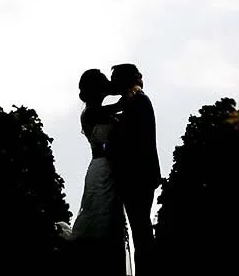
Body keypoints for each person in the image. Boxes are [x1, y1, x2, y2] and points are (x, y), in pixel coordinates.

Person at [57, 69, 128, 275]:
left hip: (107, 169)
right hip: (102, 169)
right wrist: (127, 88)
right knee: (100, 218)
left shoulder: (98, 110)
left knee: (108, 220)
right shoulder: (91, 112)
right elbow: (121, 105)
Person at [108, 63, 161, 276]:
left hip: (136, 176)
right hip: (141, 175)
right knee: (141, 228)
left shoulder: (137, 102)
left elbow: (132, 139)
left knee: (141, 229)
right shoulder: (135, 102)